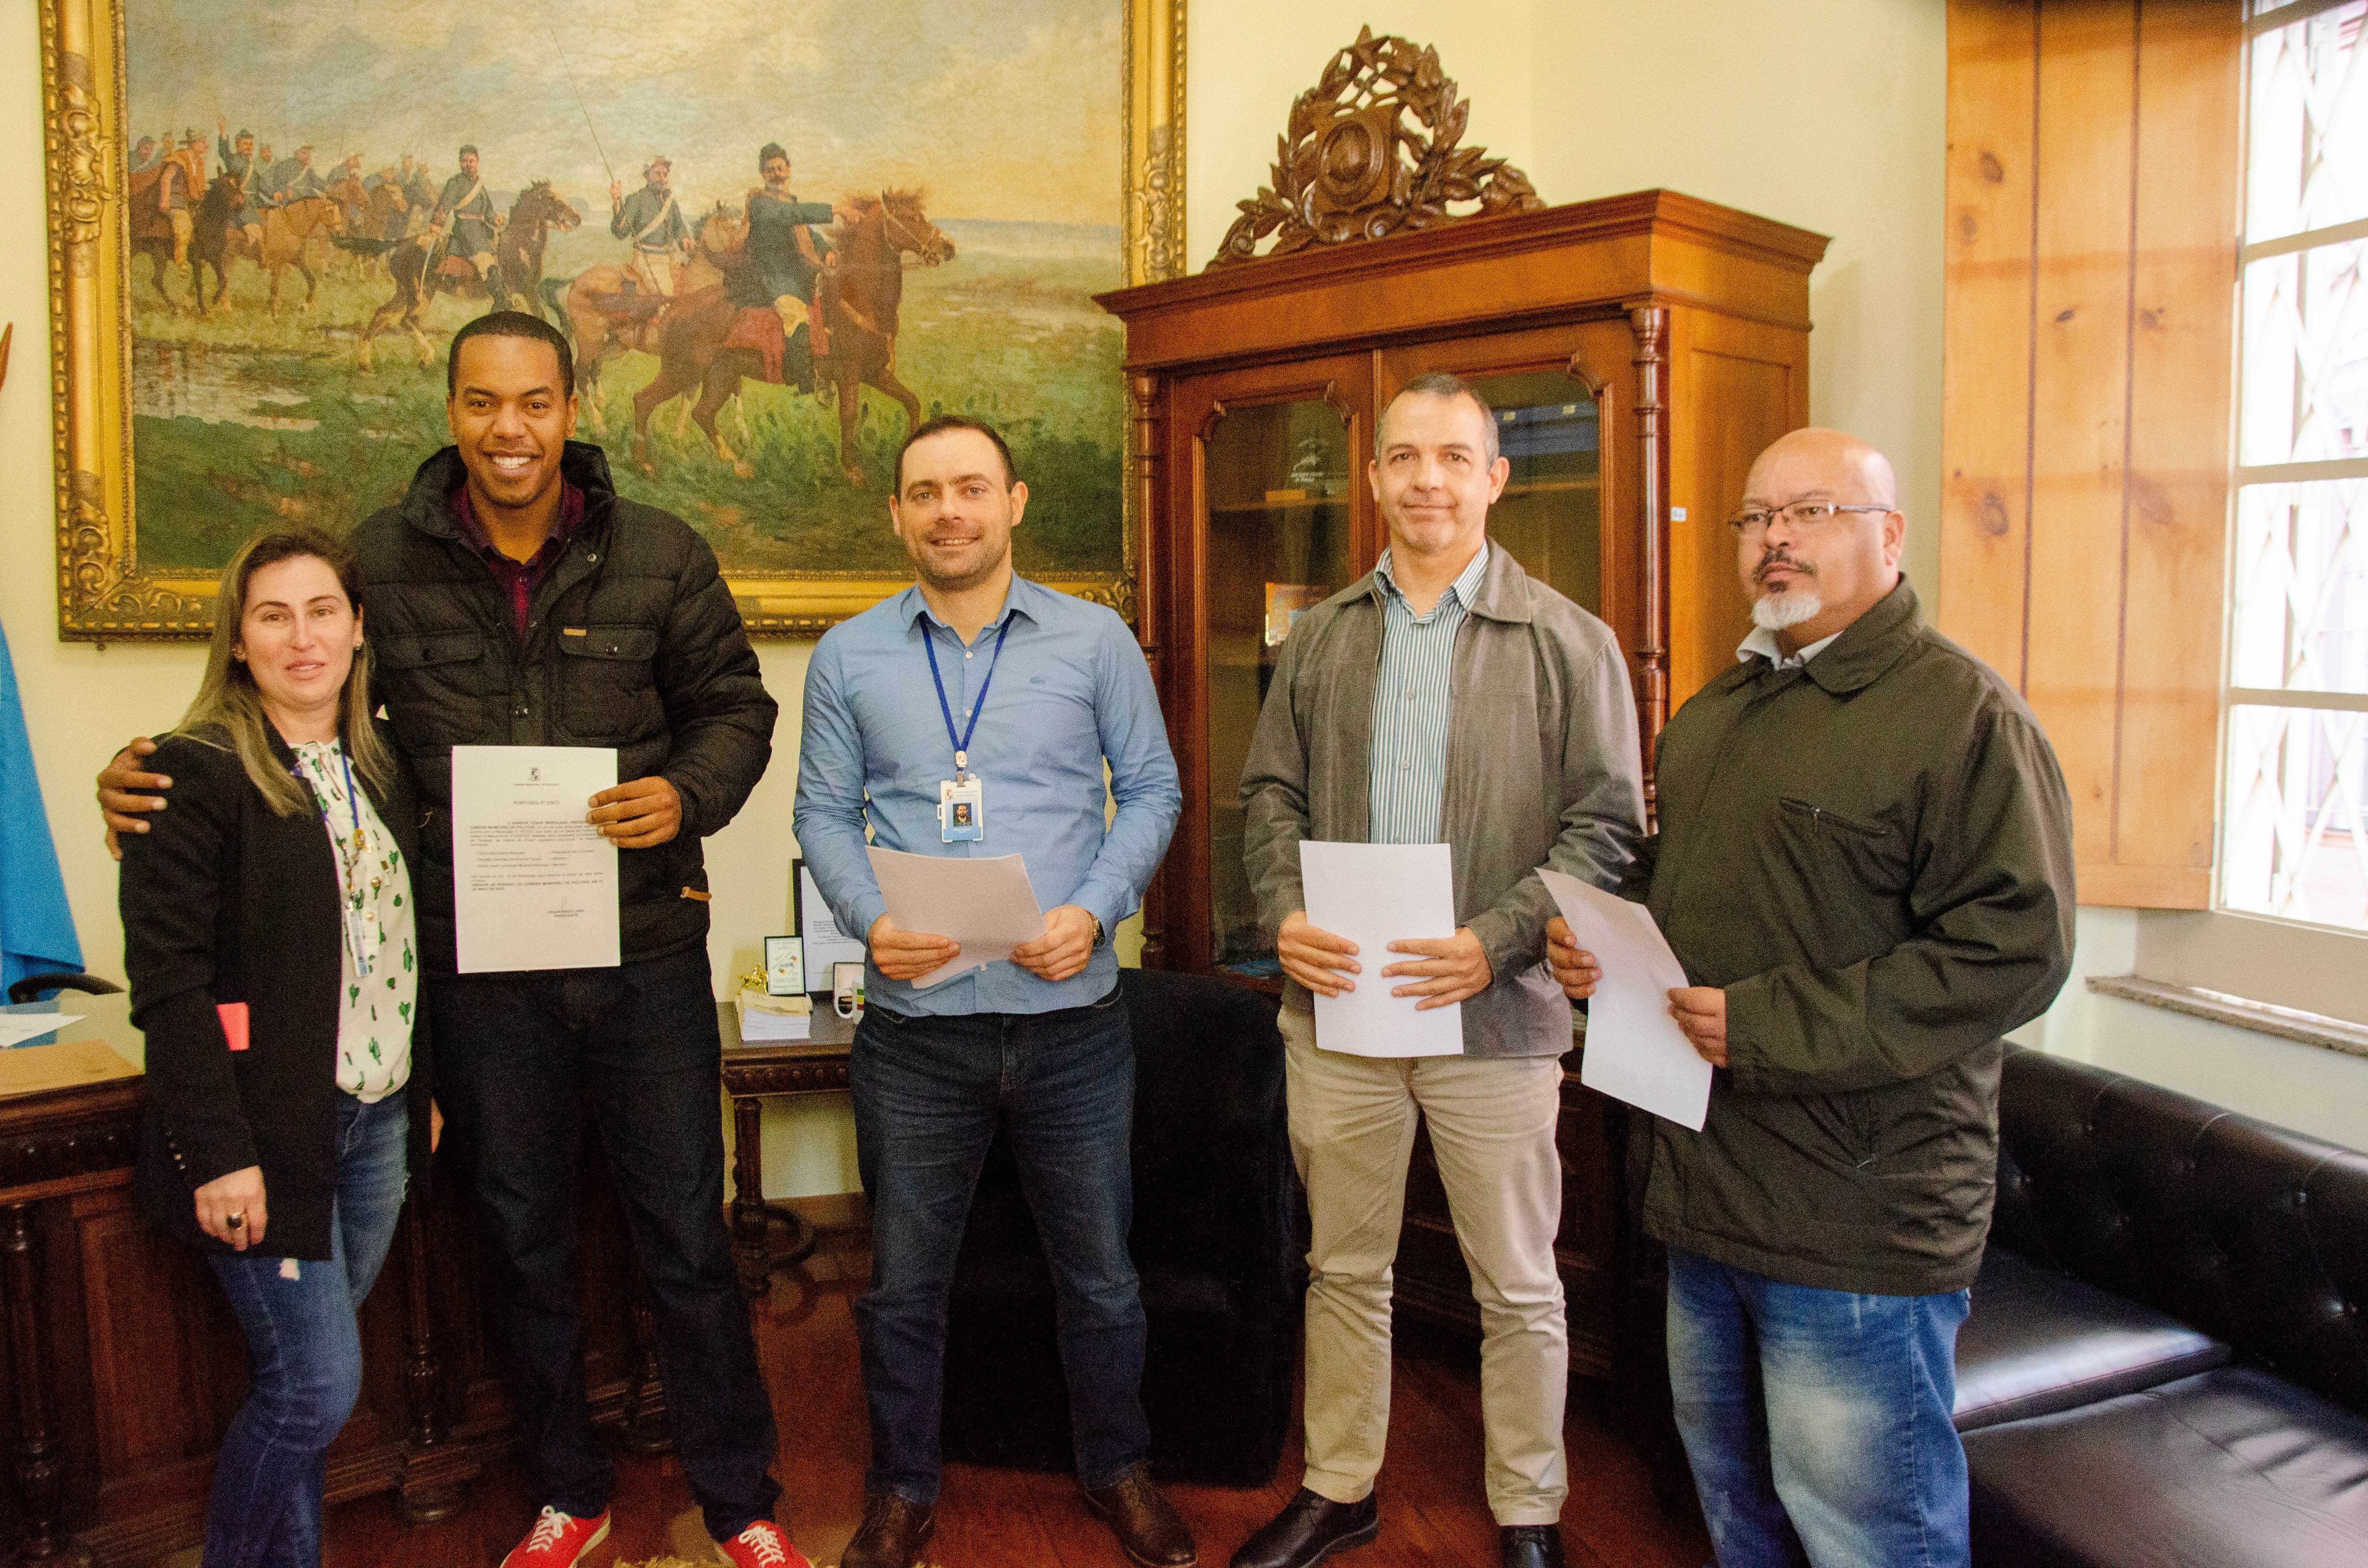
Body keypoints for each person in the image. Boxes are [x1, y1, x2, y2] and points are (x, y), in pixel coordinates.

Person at [97, 312, 799, 1568]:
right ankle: (568, 1494)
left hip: (641, 961)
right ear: (452, 410)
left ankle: (741, 1501)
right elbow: (292, 700)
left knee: (689, 1237)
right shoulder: (381, 562)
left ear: (572, 408)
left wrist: (688, 795)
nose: (509, 429)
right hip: (476, 978)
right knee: (519, 1242)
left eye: (533, 402)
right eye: (482, 402)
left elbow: (737, 708)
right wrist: (142, 778)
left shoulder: (664, 552)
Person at [1547, 428, 2076, 1568]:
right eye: (1757, 516)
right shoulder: (1718, 713)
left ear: (1888, 537)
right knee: (1739, 1512)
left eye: (1813, 511)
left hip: (1857, 1221)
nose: (1777, 537)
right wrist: (1599, 945)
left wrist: (1768, 1028)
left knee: (1867, 1539)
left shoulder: (1962, 717)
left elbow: (2015, 952)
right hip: (1701, 1194)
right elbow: (1672, 885)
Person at [1233, 372, 1645, 1568]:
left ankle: (1530, 1510)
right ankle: (1339, 1487)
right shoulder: (1321, 638)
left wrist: (1497, 938)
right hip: (1341, 1014)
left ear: (1494, 478)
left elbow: (1604, 828)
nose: (1428, 480)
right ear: (1374, 479)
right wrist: (1284, 907)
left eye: (1454, 458)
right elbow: (1270, 794)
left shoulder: (1569, 641)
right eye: (1405, 458)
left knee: (1518, 1283)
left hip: (1499, 1017)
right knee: (1344, 1266)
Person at [792, 415, 1193, 1568]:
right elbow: (822, 812)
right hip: (918, 1037)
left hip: (1074, 1027)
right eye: (925, 493)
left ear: (1014, 502)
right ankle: (901, 1489)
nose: (949, 511)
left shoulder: (1094, 639)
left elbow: (1154, 787)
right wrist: (872, 921)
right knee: (904, 1284)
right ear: (899, 515)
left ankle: (1118, 1468)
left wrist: (1098, 906)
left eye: (971, 488)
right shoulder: (852, 654)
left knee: (1103, 1277)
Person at [122, 526, 437, 1568]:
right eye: (273, 615)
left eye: (321, 612)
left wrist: (419, 1084)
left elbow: (407, 941)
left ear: (356, 629)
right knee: (314, 1390)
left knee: (305, 1390)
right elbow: (170, 986)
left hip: (376, 1122)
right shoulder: (194, 771)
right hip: (267, 1137)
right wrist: (218, 1153)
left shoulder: (380, 763)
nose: (302, 636)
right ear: (239, 641)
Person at [732, 143, 840, 386]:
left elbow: (806, 233)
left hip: (798, 276)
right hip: (772, 278)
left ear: (789, 169)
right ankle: (803, 384)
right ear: (763, 174)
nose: (777, 174)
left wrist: (826, 250)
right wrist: (834, 210)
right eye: (770, 170)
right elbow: (789, 215)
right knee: (796, 315)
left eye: (780, 168)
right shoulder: (761, 203)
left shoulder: (789, 201)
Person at [431, 144, 510, 309]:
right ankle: (500, 302)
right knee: (485, 260)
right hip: (464, 231)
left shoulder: (480, 185)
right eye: (464, 161)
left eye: (472, 161)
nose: (468, 164)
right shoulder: (455, 183)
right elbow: (444, 205)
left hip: (481, 230)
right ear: (460, 163)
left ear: (478, 162)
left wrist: (496, 219)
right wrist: (437, 224)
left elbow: (488, 210)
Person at [611, 155, 688, 298]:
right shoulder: (637, 199)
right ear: (647, 176)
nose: (663, 178)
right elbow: (621, 232)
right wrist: (616, 202)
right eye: (657, 174)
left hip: (670, 260)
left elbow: (679, 226)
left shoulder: (670, 202)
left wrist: (685, 238)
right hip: (646, 261)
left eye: (665, 174)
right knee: (666, 301)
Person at [217, 116, 265, 251]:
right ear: (238, 145)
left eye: (250, 145)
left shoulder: (253, 165)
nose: (248, 147)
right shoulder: (233, 160)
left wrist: (276, 194)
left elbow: (261, 186)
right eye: (245, 144)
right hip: (240, 203)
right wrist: (222, 131)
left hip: (253, 202)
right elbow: (224, 152)